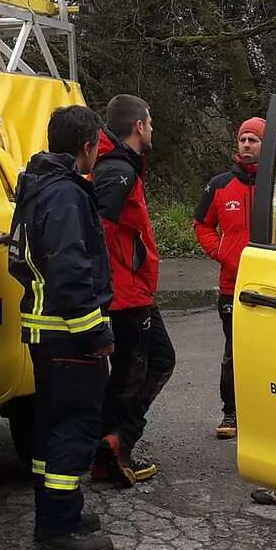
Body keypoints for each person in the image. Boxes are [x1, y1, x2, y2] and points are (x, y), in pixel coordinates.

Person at [7, 105, 116, 550]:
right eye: (96, 147)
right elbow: (71, 272)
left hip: (45, 333)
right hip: (69, 336)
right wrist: (95, 333)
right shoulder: (67, 196)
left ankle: (58, 509)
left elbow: (18, 259)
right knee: (74, 427)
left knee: (51, 427)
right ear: (87, 148)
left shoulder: (38, 186)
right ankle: (59, 529)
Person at [193, 116, 276, 505]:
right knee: (233, 353)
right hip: (232, 286)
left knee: (275, 357)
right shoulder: (221, 185)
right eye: (243, 138)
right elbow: (201, 225)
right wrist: (220, 251)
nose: (248, 144)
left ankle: (270, 420)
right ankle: (232, 413)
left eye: (255, 139)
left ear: (267, 145)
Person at [90, 94, 174, 486]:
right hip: (125, 292)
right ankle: (115, 443)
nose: (152, 128)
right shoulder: (117, 170)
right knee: (141, 368)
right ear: (139, 126)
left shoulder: (120, 165)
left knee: (137, 367)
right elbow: (98, 228)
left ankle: (111, 445)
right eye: (151, 122)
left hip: (132, 288)